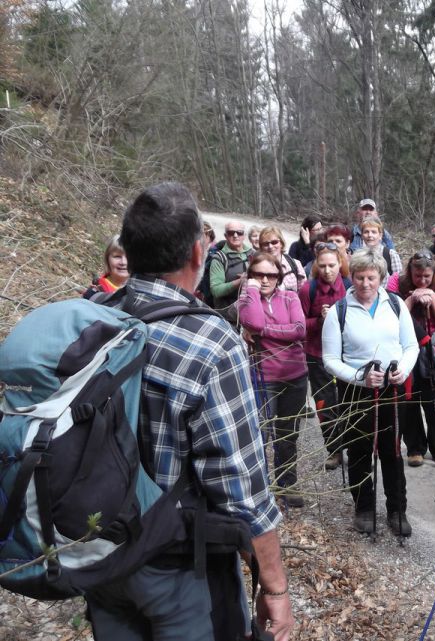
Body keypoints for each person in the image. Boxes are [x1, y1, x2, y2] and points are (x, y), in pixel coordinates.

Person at [89, 182, 292, 640]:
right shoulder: (211, 344)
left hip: (100, 554)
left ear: (131, 252)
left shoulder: (93, 316)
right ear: (199, 255)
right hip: (180, 565)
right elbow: (241, 488)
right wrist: (274, 586)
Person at [321, 248, 418, 537]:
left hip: (392, 388)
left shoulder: (396, 305)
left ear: (381, 278)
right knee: (360, 450)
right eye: (360, 277)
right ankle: (363, 508)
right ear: (351, 277)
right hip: (356, 390)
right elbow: (330, 359)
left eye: (371, 278)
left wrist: (403, 369)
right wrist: (360, 377)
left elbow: (410, 346)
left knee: (392, 451)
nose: (365, 284)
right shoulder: (339, 311)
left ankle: (397, 510)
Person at [238, 251, 308, 508]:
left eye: (271, 275)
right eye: (259, 275)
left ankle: (287, 484)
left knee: (288, 434)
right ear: (250, 276)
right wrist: (253, 291)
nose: (265, 279)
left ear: (279, 275)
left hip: (294, 375)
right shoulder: (247, 300)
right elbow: (253, 320)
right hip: (263, 377)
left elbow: (299, 330)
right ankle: (261, 486)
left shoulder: (290, 297)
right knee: (261, 434)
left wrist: (264, 332)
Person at [386, 251, 435, 465]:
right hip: (405, 346)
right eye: (418, 276)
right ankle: (414, 448)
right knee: (409, 397)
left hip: (433, 347)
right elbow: (391, 314)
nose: (423, 280)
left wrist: (431, 296)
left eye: (427, 276)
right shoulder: (397, 280)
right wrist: (412, 297)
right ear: (410, 271)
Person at [299, 241, 349, 470]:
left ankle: (353, 446)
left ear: (340, 263)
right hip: (317, 355)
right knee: (324, 405)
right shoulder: (307, 289)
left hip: (348, 355)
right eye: (323, 266)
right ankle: (334, 449)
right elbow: (299, 325)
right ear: (316, 266)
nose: (327, 270)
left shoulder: (349, 286)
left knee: (348, 403)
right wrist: (319, 320)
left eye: (331, 265)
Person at [208, 221, 254, 319]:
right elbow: (216, 290)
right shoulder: (219, 258)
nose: (235, 235)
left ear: (244, 235)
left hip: (251, 313)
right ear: (225, 235)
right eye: (231, 233)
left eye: (239, 232)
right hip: (228, 317)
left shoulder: (253, 254)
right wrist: (240, 281)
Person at [258, 226, 306, 293]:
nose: (270, 246)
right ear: (261, 247)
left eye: (274, 242)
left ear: (281, 243)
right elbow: (244, 298)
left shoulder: (295, 265)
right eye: (265, 244)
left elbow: (303, 293)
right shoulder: (255, 268)